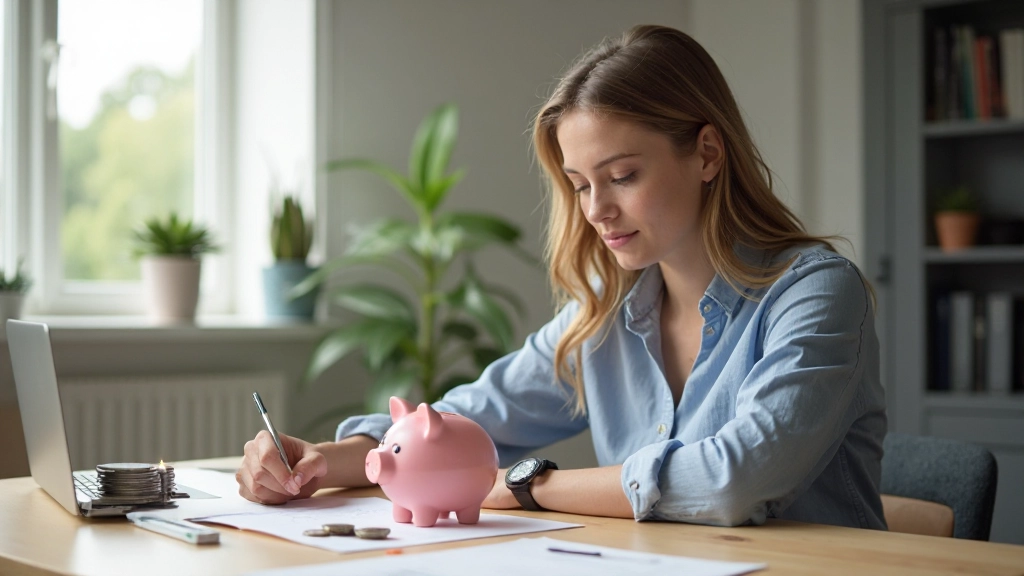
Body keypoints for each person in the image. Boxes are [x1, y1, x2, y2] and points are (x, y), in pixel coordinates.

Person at [236, 24, 887, 530]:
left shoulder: (817, 294)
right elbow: (467, 421)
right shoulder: (608, 312)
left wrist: (529, 486)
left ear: (707, 154)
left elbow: (735, 480)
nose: (597, 211)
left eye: (623, 176)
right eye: (579, 185)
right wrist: (320, 462)